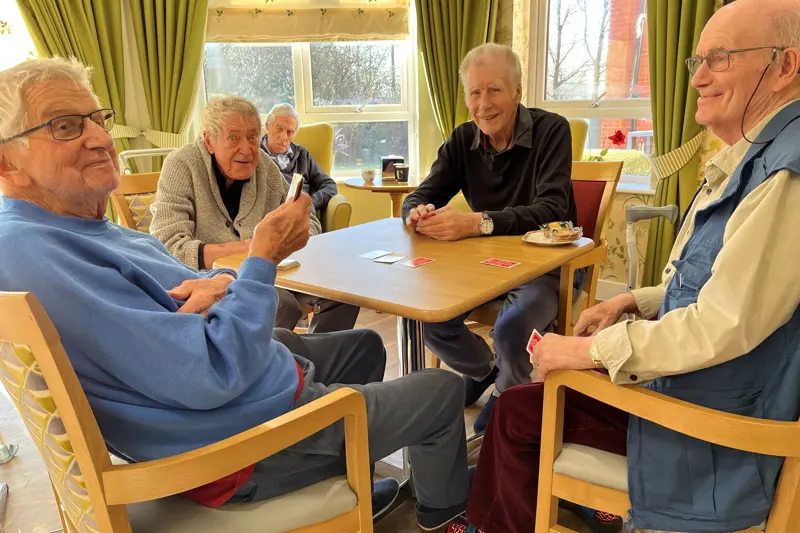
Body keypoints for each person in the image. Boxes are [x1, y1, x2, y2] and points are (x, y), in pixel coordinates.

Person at [0, 57, 471, 530]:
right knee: (443, 390)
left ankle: (352, 489)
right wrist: (259, 259)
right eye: (65, 126)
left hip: (242, 392)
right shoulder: (32, 250)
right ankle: (440, 517)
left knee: (365, 345)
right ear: (6, 162)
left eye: (97, 119)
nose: (101, 139)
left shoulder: (76, 229)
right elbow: (212, 370)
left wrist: (224, 281)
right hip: (238, 446)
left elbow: (177, 304)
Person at [467, 1, 800, 532]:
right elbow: (731, 291)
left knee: (517, 412)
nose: (698, 78)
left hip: (711, 434)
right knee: (530, 398)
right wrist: (633, 300)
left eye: (720, 58)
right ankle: (570, 505)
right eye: (697, 62)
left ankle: (506, 518)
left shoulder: (785, 175)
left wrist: (586, 351)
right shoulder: (758, 158)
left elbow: (720, 326)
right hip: (701, 391)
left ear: (785, 66)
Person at [400, 43, 584, 433]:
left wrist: (477, 223)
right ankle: (488, 371)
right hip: (485, 268)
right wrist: (416, 212)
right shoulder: (462, 139)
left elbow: (552, 210)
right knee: (428, 318)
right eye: (475, 92)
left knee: (513, 329)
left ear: (517, 90)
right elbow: (421, 194)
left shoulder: (552, 130)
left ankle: (507, 395)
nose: (483, 104)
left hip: (547, 268)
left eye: (494, 89)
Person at [150, 96, 360, 334]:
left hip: (270, 272)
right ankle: (261, 356)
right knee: (280, 304)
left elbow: (309, 220)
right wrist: (255, 248)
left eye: (252, 137)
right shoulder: (181, 165)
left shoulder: (265, 167)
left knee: (344, 291)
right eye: (233, 138)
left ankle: (308, 355)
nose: (247, 149)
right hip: (207, 279)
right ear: (209, 141)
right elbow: (168, 247)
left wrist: (288, 238)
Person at [261, 103, 338, 214]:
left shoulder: (302, 155)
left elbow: (329, 185)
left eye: (290, 132)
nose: (284, 137)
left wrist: (308, 204)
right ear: (267, 125)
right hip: (268, 216)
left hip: (301, 216)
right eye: (279, 129)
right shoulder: (254, 154)